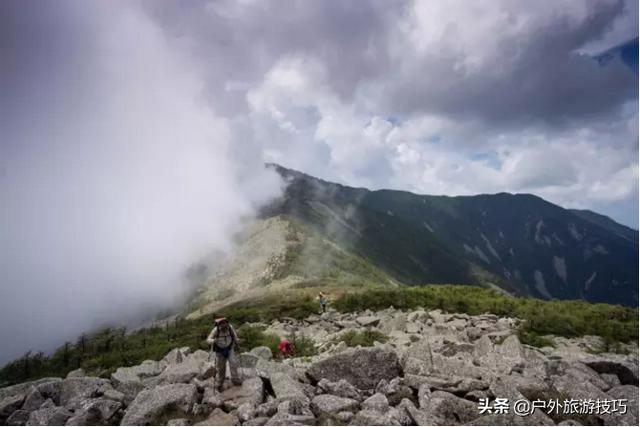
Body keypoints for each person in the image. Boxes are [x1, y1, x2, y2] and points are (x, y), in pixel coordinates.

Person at [207, 317, 241, 392]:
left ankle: (235, 379)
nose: (223, 325)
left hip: (229, 349)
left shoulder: (230, 328)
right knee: (221, 368)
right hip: (220, 351)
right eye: (221, 324)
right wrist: (213, 340)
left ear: (227, 323)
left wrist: (237, 341)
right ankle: (220, 383)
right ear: (219, 325)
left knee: (233, 363)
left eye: (224, 323)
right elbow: (208, 340)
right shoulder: (216, 330)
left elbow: (235, 336)